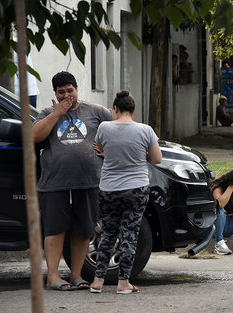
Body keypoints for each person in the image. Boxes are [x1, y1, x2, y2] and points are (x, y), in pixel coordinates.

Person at [33, 71, 112, 291]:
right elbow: (34, 136)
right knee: (54, 229)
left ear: (77, 89)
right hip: (54, 182)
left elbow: (118, 132)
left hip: (89, 181)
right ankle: (53, 276)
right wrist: (56, 114)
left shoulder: (97, 112)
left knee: (83, 228)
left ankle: (76, 275)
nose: (66, 95)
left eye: (70, 90)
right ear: (55, 93)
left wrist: (110, 152)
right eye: (61, 92)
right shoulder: (47, 112)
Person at [89, 91, 162, 294]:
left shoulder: (104, 127)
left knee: (108, 233)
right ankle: (123, 283)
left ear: (115, 109)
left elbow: (104, 149)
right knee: (130, 234)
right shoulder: (145, 130)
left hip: (109, 188)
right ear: (133, 110)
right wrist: (140, 153)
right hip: (136, 189)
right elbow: (157, 159)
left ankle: (97, 281)